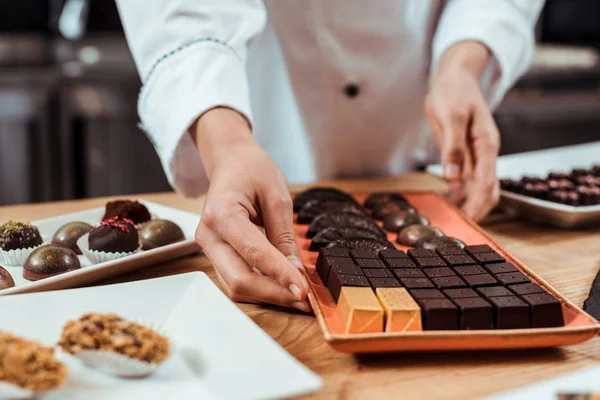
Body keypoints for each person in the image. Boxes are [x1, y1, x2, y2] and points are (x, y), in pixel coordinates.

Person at [116, 0, 544, 312]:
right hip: (275, 103)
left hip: (415, 90)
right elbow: (181, 11)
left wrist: (462, 63)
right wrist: (225, 142)